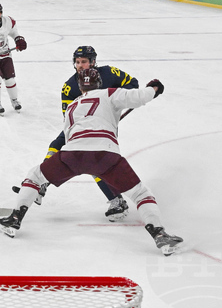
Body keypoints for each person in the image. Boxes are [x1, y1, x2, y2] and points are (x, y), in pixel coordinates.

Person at [0, 68, 183, 256]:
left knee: (36, 176)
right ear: (99, 83)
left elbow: (68, 135)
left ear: (80, 86)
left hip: (73, 154)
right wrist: (154, 88)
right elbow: (139, 97)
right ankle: (159, 234)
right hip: (106, 155)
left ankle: (15, 217)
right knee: (140, 194)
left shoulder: (72, 106)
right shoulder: (109, 93)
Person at [24, 46, 142, 221]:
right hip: (80, 127)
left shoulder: (109, 73)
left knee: (95, 159)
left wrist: (114, 105)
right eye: (77, 62)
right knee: (57, 145)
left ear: (93, 62)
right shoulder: (69, 87)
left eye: (84, 62)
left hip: (104, 127)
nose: (80, 65)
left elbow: (133, 84)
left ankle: (116, 200)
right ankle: (43, 183)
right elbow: (68, 119)